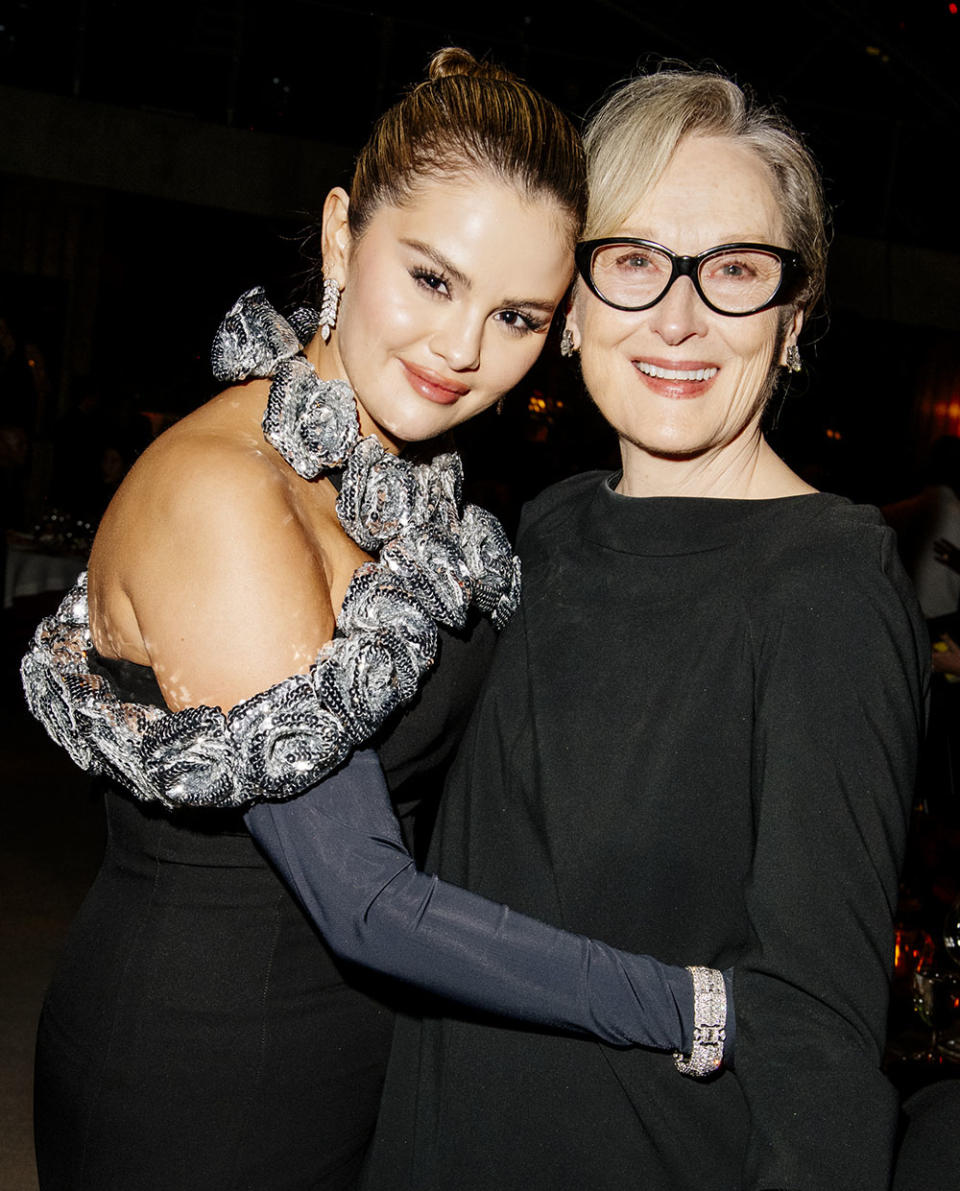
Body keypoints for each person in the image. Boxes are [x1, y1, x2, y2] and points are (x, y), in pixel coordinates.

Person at [24, 51, 724, 1191]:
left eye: (516, 315)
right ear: (344, 234)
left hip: (356, 1061)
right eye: (433, 280)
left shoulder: (387, 477)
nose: (462, 353)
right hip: (197, 1082)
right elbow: (365, 902)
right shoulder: (225, 492)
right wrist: (695, 1006)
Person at [328, 67, 923, 1190]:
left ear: (793, 320)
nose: (680, 317)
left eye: (738, 270)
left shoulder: (826, 590)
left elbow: (819, 1039)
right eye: (635, 262)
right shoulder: (542, 533)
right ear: (573, 302)